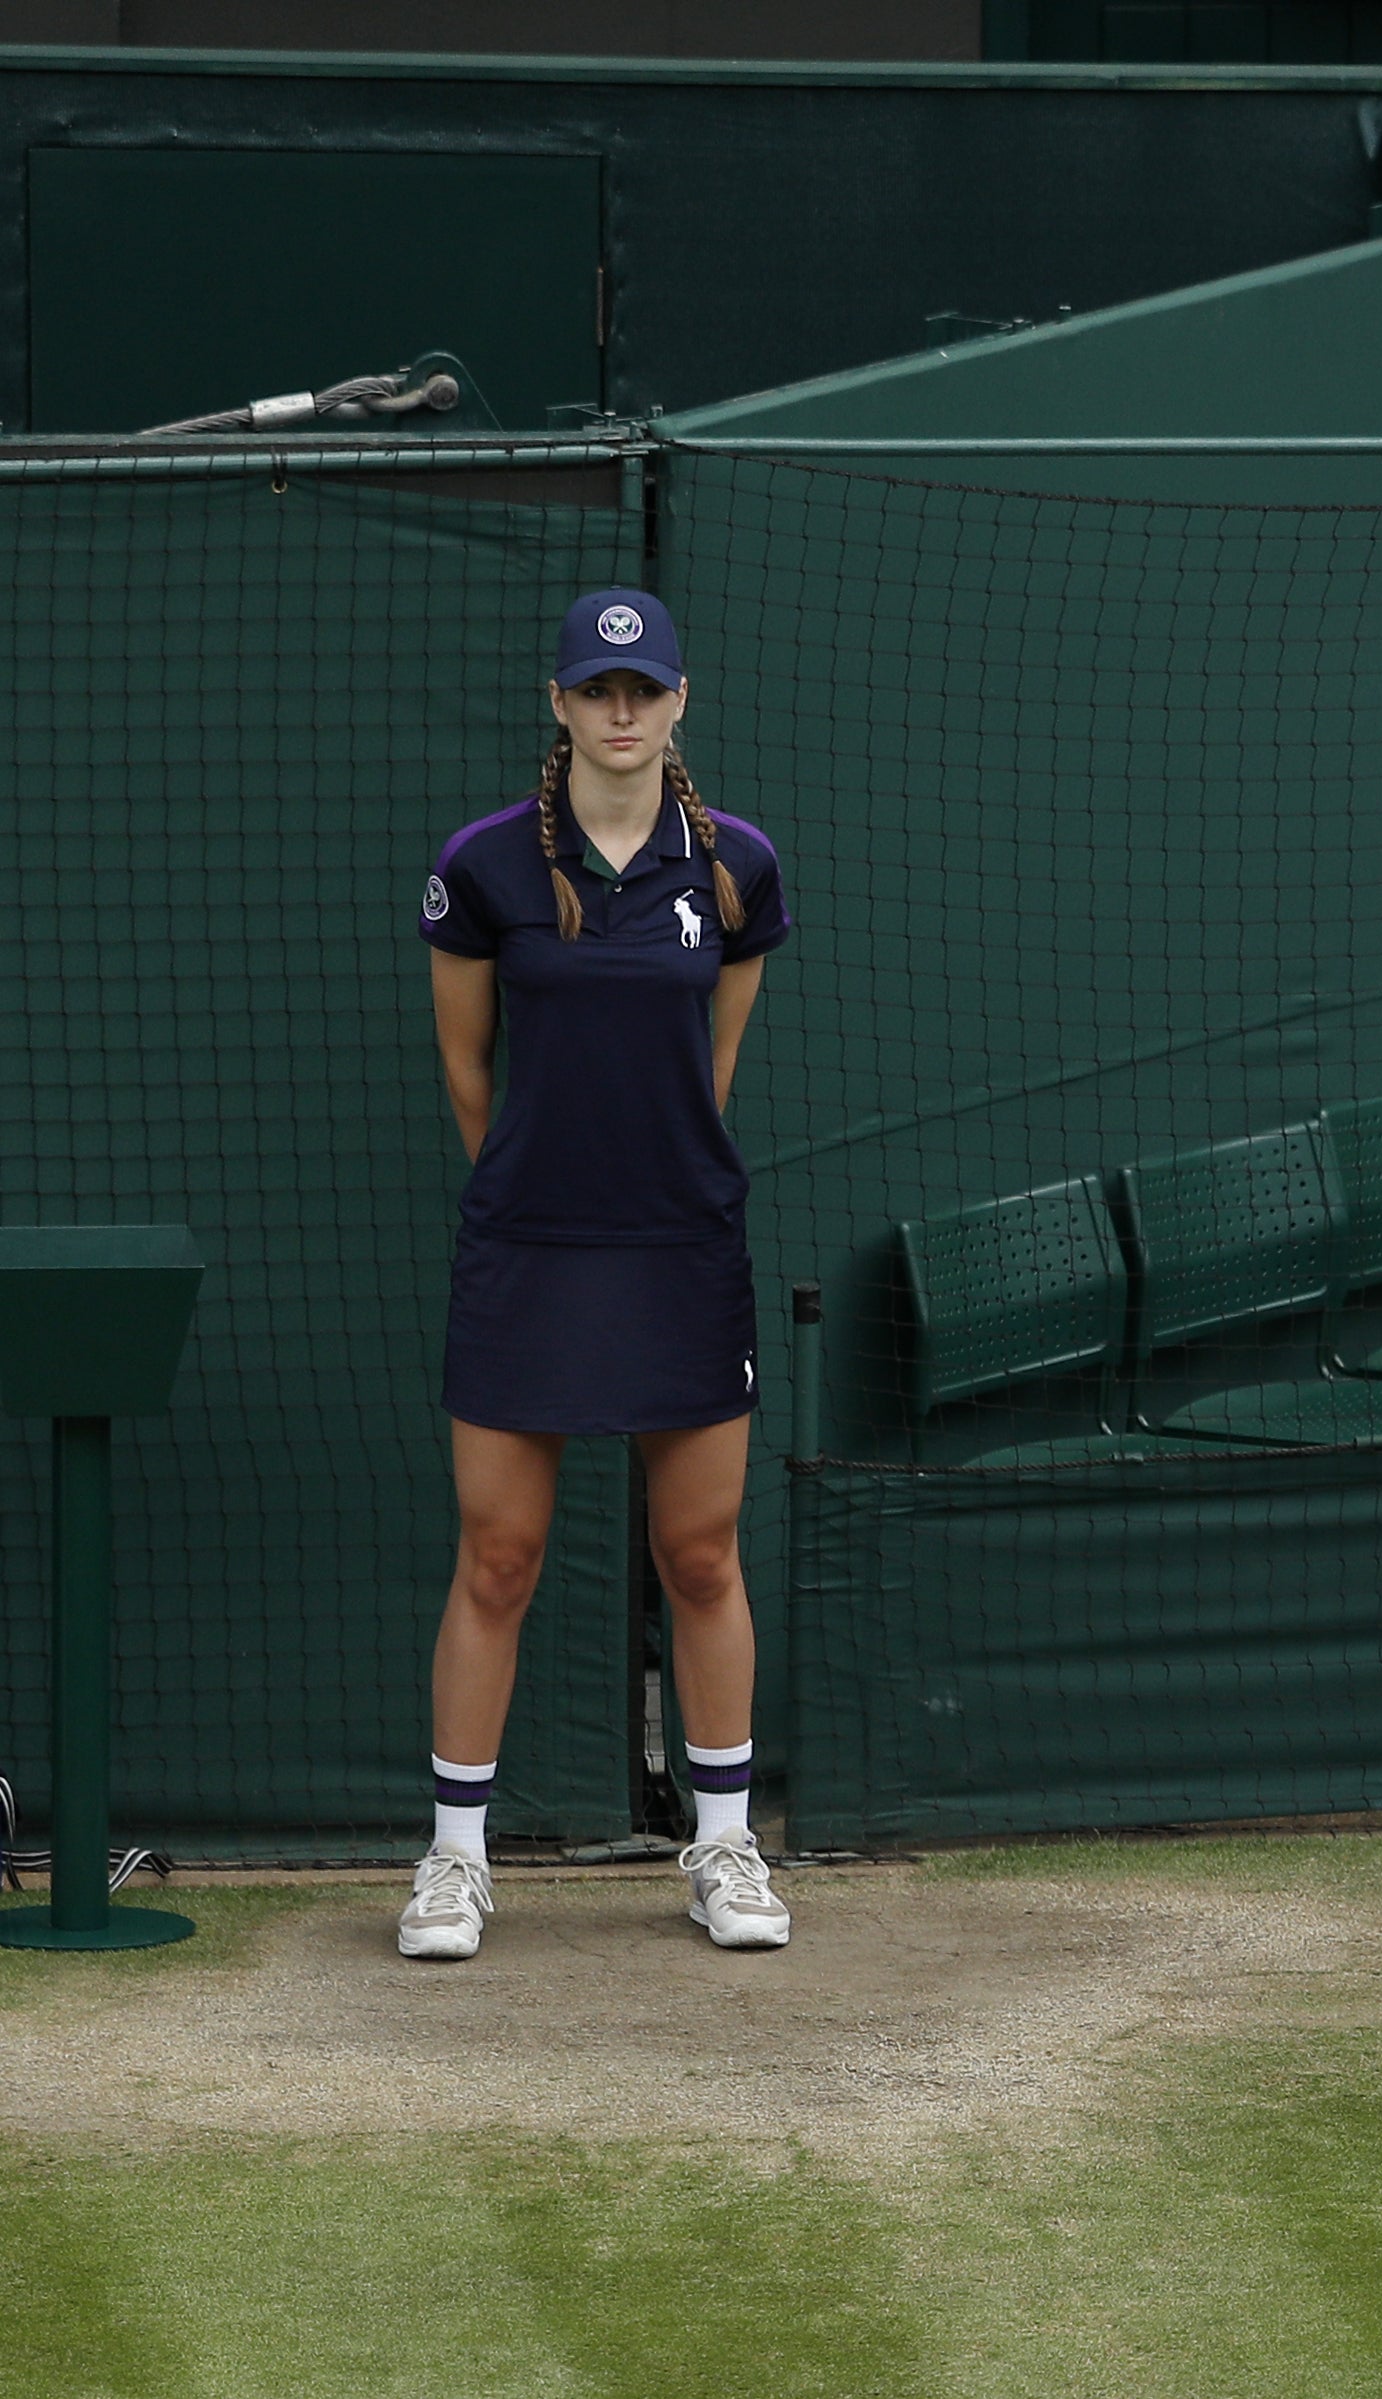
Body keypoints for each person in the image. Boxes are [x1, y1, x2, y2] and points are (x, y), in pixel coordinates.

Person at [398, 589, 794, 1963]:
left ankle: (725, 1842)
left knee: (699, 1551)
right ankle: (455, 1859)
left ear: (679, 703)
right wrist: (531, 1180)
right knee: (499, 1556)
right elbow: (468, 1068)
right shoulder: (486, 866)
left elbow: (715, 1068)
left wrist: (656, 1173)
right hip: (529, 1250)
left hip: (682, 1244)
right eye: (596, 689)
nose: (621, 712)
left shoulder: (738, 867)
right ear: (559, 704)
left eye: (644, 690)